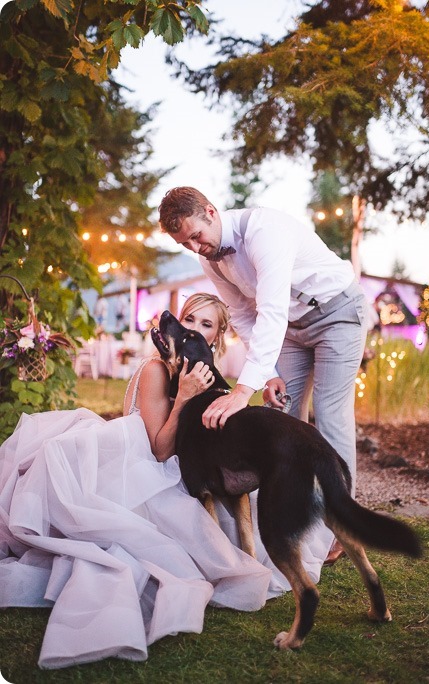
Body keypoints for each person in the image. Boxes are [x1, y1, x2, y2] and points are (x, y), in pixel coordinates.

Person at [0, 293, 294, 670]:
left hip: (170, 466)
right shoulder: (159, 370)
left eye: (206, 324)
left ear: (218, 336)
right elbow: (158, 450)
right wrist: (185, 398)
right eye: (190, 319)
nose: (194, 328)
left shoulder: (197, 368)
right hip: (137, 467)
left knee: (243, 514)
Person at [158, 187, 369, 566]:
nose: (194, 246)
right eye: (184, 242)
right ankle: (299, 517)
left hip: (336, 312)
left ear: (210, 211)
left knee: (329, 411)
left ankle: (343, 526)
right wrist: (268, 374)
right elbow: (241, 315)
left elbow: (270, 310)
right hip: (291, 328)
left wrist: (243, 391)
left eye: (196, 235)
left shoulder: (263, 232)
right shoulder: (211, 259)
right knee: (285, 416)